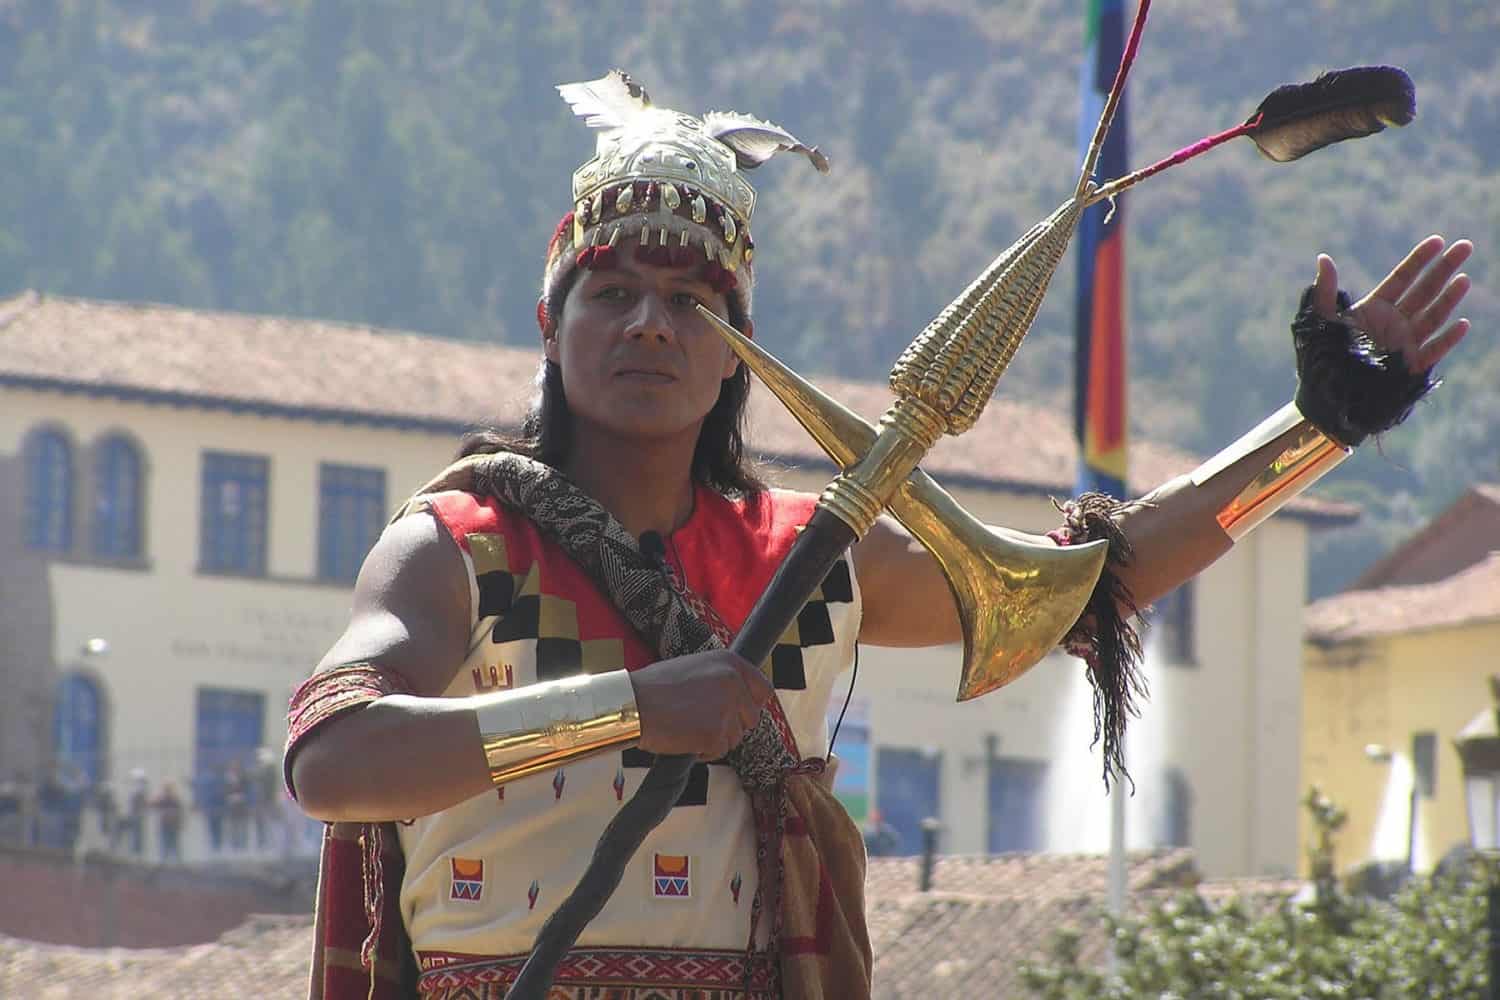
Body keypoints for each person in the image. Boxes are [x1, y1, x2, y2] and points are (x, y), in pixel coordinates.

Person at [284, 72, 1474, 1000]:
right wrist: (639, 710)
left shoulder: (814, 558)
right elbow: (332, 759)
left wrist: (1319, 426)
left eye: (692, 301)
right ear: (553, 324)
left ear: (741, 340)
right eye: (612, 293)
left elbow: (1092, 583)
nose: (650, 325)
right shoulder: (457, 544)